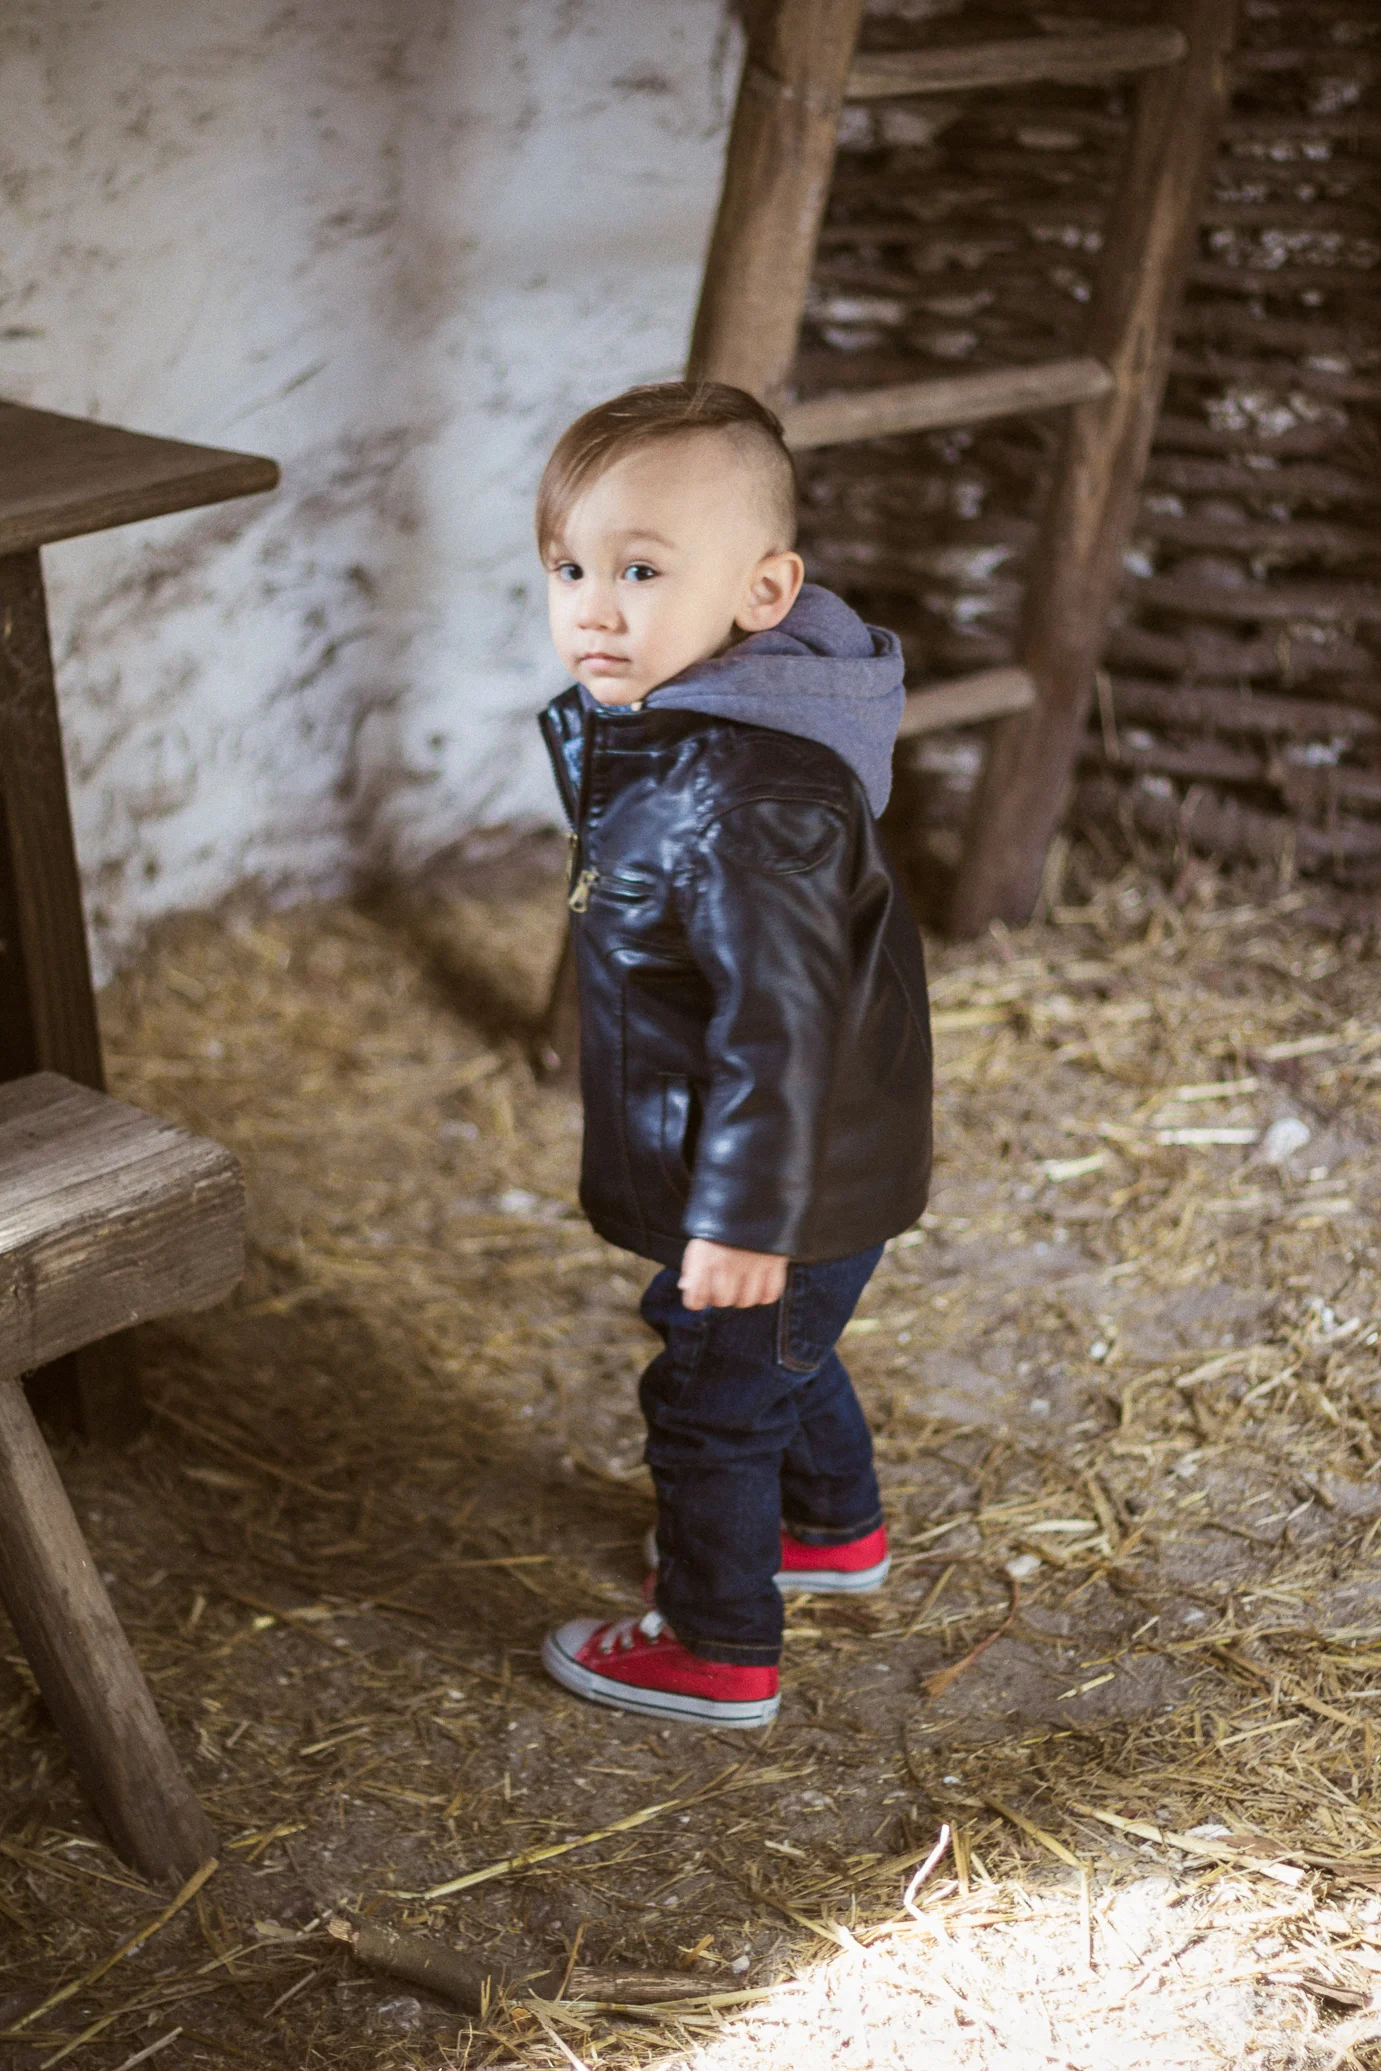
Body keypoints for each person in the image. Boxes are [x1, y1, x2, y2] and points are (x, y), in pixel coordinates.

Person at [535, 380, 932, 1728]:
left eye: (642, 570)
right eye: (570, 568)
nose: (594, 607)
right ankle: (829, 1527)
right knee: (777, 1355)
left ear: (765, 592)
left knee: (710, 1396)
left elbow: (786, 1022)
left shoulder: (751, 794)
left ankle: (715, 1644)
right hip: (798, 1166)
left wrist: (753, 1214)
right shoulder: (698, 734)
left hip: (781, 1178)